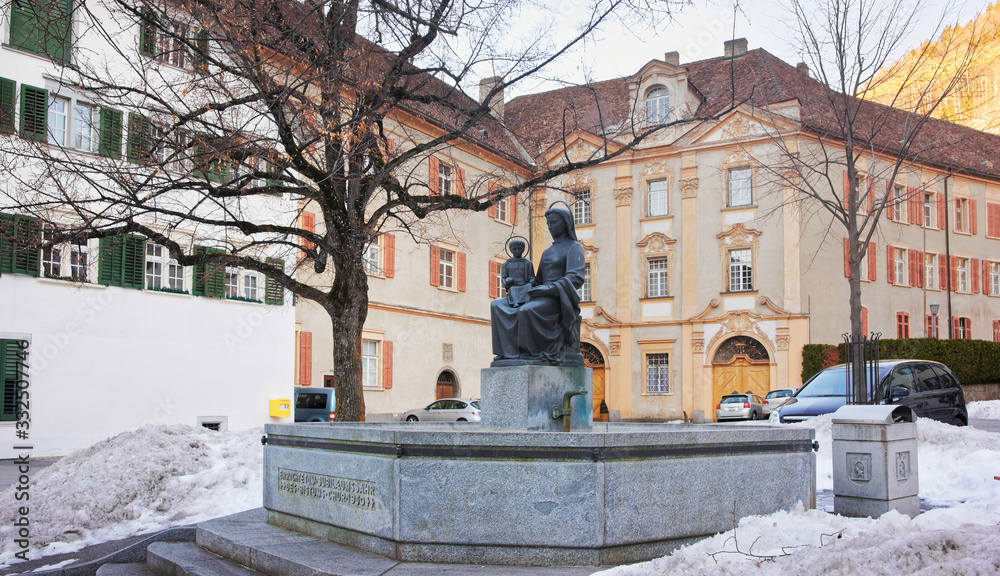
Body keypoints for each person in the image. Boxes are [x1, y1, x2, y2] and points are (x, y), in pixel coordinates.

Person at [490, 206, 585, 366]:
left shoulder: (574, 247)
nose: (550, 227)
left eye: (554, 222)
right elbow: (537, 279)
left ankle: (530, 353)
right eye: (548, 223)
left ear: (565, 223)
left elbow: (576, 277)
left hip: (557, 298)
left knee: (527, 310)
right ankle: (508, 353)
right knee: (497, 305)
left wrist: (549, 289)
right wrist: (519, 288)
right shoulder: (548, 251)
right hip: (539, 294)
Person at [502, 239, 535, 308]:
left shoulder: (528, 263)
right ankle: (515, 302)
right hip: (513, 285)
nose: (517, 251)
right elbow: (504, 277)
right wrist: (507, 281)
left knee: (529, 286)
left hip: (525, 285)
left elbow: (532, 277)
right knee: (513, 289)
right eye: (515, 249)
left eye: (519, 249)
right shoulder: (507, 264)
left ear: (523, 249)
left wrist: (532, 281)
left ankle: (526, 301)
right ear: (511, 249)